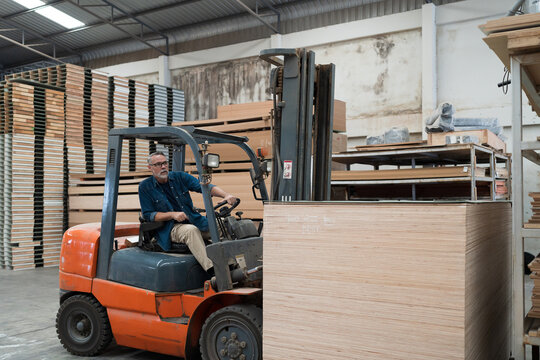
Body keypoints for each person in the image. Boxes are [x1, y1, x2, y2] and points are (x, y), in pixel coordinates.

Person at [138, 151, 237, 274]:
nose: (163, 167)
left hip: (193, 220)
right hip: (170, 227)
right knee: (190, 231)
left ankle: (233, 265)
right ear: (150, 168)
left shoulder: (180, 177)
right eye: (158, 164)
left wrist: (226, 195)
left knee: (224, 224)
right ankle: (215, 271)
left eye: (164, 163)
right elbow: (149, 215)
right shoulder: (145, 187)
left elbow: (205, 187)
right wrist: (172, 214)